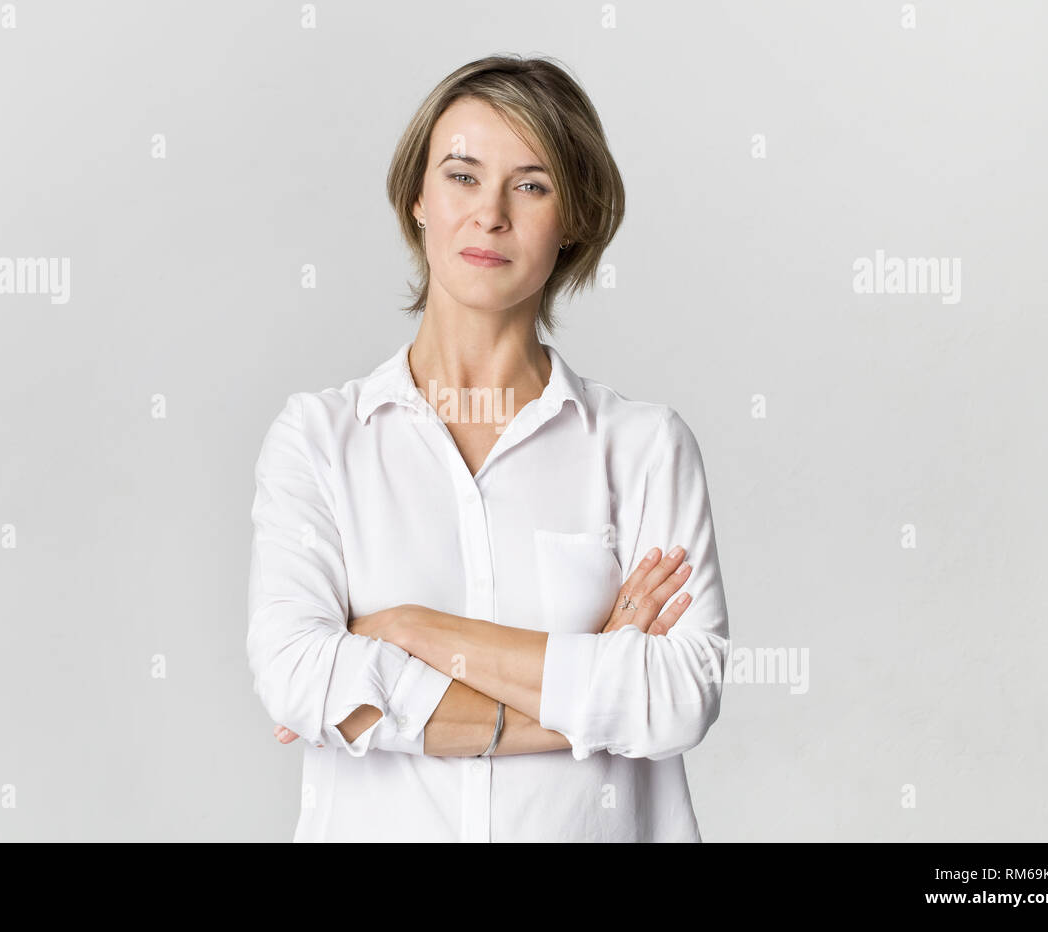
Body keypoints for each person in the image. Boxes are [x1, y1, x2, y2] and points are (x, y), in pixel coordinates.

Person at [247, 53, 730, 841]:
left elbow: (677, 697)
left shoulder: (644, 449)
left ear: (573, 216)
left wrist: (406, 628)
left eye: (531, 185)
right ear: (417, 201)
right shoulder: (319, 441)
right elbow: (300, 675)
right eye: (462, 177)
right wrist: (591, 688)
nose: (491, 214)